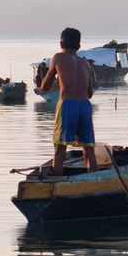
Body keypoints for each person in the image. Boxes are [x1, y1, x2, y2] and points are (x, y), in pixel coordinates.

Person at [35, 27, 97, 176]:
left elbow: (47, 84)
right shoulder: (86, 63)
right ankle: (94, 179)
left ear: (61, 44)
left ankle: (57, 180)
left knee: (60, 148)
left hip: (68, 104)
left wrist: (40, 90)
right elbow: (89, 93)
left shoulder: (57, 58)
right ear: (79, 47)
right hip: (85, 106)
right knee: (89, 149)